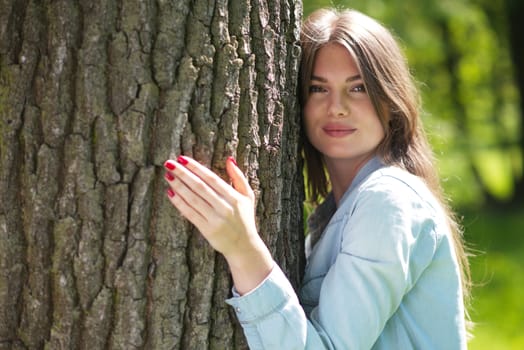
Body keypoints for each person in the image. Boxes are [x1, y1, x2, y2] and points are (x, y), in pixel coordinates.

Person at [163, 7, 471, 349]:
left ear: (390, 100)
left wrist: (242, 249)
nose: (336, 107)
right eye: (318, 89)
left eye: (358, 89)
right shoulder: (337, 211)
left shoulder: (388, 202)